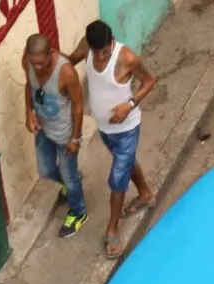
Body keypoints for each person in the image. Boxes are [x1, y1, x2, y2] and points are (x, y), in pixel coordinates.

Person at [67, 20, 158, 259]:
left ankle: (112, 229)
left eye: (105, 51)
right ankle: (146, 195)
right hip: (105, 129)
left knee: (117, 178)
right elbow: (69, 61)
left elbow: (150, 80)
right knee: (126, 163)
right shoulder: (87, 47)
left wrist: (129, 105)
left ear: (112, 42)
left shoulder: (126, 57)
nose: (100, 56)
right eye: (97, 52)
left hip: (127, 128)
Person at [23, 34, 86, 238]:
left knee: (69, 176)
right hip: (43, 128)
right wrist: (29, 111)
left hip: (65, 133)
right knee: (46, 170)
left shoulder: (65, 72)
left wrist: (75, 139)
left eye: (42, 63)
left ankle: (78, 212)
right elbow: (29, 85)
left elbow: (78, 104)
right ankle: (72, 184)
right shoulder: (28, 63)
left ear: (51, 54)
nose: (38, 68)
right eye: (34, 63)